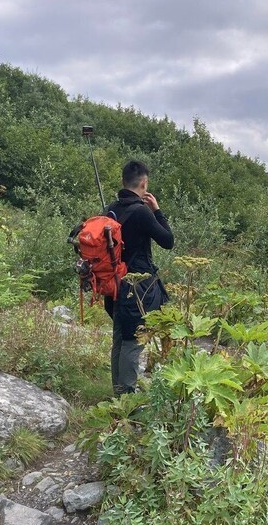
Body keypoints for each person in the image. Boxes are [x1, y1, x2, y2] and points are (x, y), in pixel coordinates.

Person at [105, 160, 174, 395]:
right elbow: (168, 241)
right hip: (136, 287)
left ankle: (117, 393)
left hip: (113, 285)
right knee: (132, 343)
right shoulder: (142, 212)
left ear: (123, 181)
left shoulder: (111, 209)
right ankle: (126, 399)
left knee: (120, 339)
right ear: (144, 183)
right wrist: (157, 210)